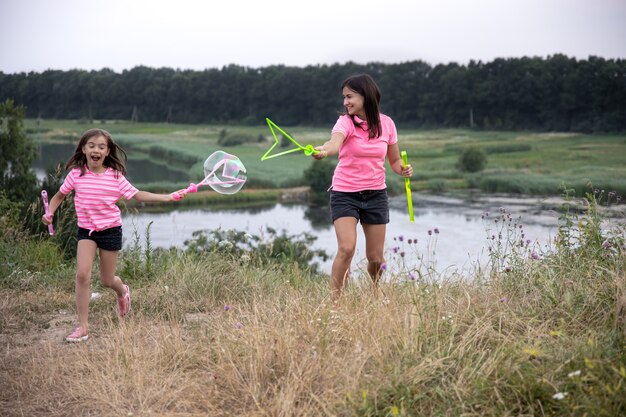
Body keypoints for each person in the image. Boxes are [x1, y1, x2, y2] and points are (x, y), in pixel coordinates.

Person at [43, 128, 184, 342]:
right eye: (92, 146)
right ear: (84, 148)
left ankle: (122, 291)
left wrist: (168, 197)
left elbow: (137, 194)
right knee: (82, 275)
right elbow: (59, 196)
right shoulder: (76, 175)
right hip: (87, 232)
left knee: (108, 280)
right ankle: (82, 327)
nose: (96, 150)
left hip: (110, 230)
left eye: (101, 146)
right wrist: (49, 213)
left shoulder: (115, 177)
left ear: (108, 152)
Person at [311, 74, 413, 297]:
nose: (345, 102)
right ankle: (335, 302)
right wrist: (324, 151)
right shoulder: (345, 122)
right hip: (344, 193)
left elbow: (394, 161)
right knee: (347, 249)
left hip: (375, 195)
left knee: (376, 258)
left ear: (365, 96)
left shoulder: (387, 124)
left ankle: (375, 294)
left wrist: (402, 169)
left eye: (350, 97)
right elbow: (334, 143)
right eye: (344, 97)